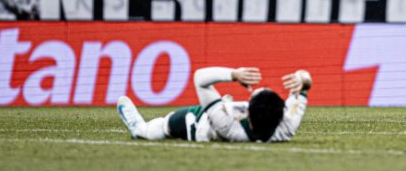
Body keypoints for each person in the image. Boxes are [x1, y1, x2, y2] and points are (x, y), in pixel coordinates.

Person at [117, 66, 312, 143]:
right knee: (223, 103)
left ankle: (138, 128)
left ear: (249, 115)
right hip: (225, 113)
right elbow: (307, 82)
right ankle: (223, 102)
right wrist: (301, 80)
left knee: (160, 128)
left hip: (200, 124)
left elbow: (200, 78)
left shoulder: (227, 125)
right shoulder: (286, 125)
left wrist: (234, 75)